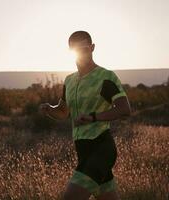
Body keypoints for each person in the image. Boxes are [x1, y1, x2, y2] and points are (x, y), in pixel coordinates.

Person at [39, 30, 131, 200]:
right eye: (75, 50)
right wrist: (49, 109)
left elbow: (124, 109)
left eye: (84, 48)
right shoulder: (69, 80)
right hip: (83, 150)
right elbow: (63, 112)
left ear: (92, 48)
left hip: (101, 147)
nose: (80, 53)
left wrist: (94, 117)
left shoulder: (106, 76)